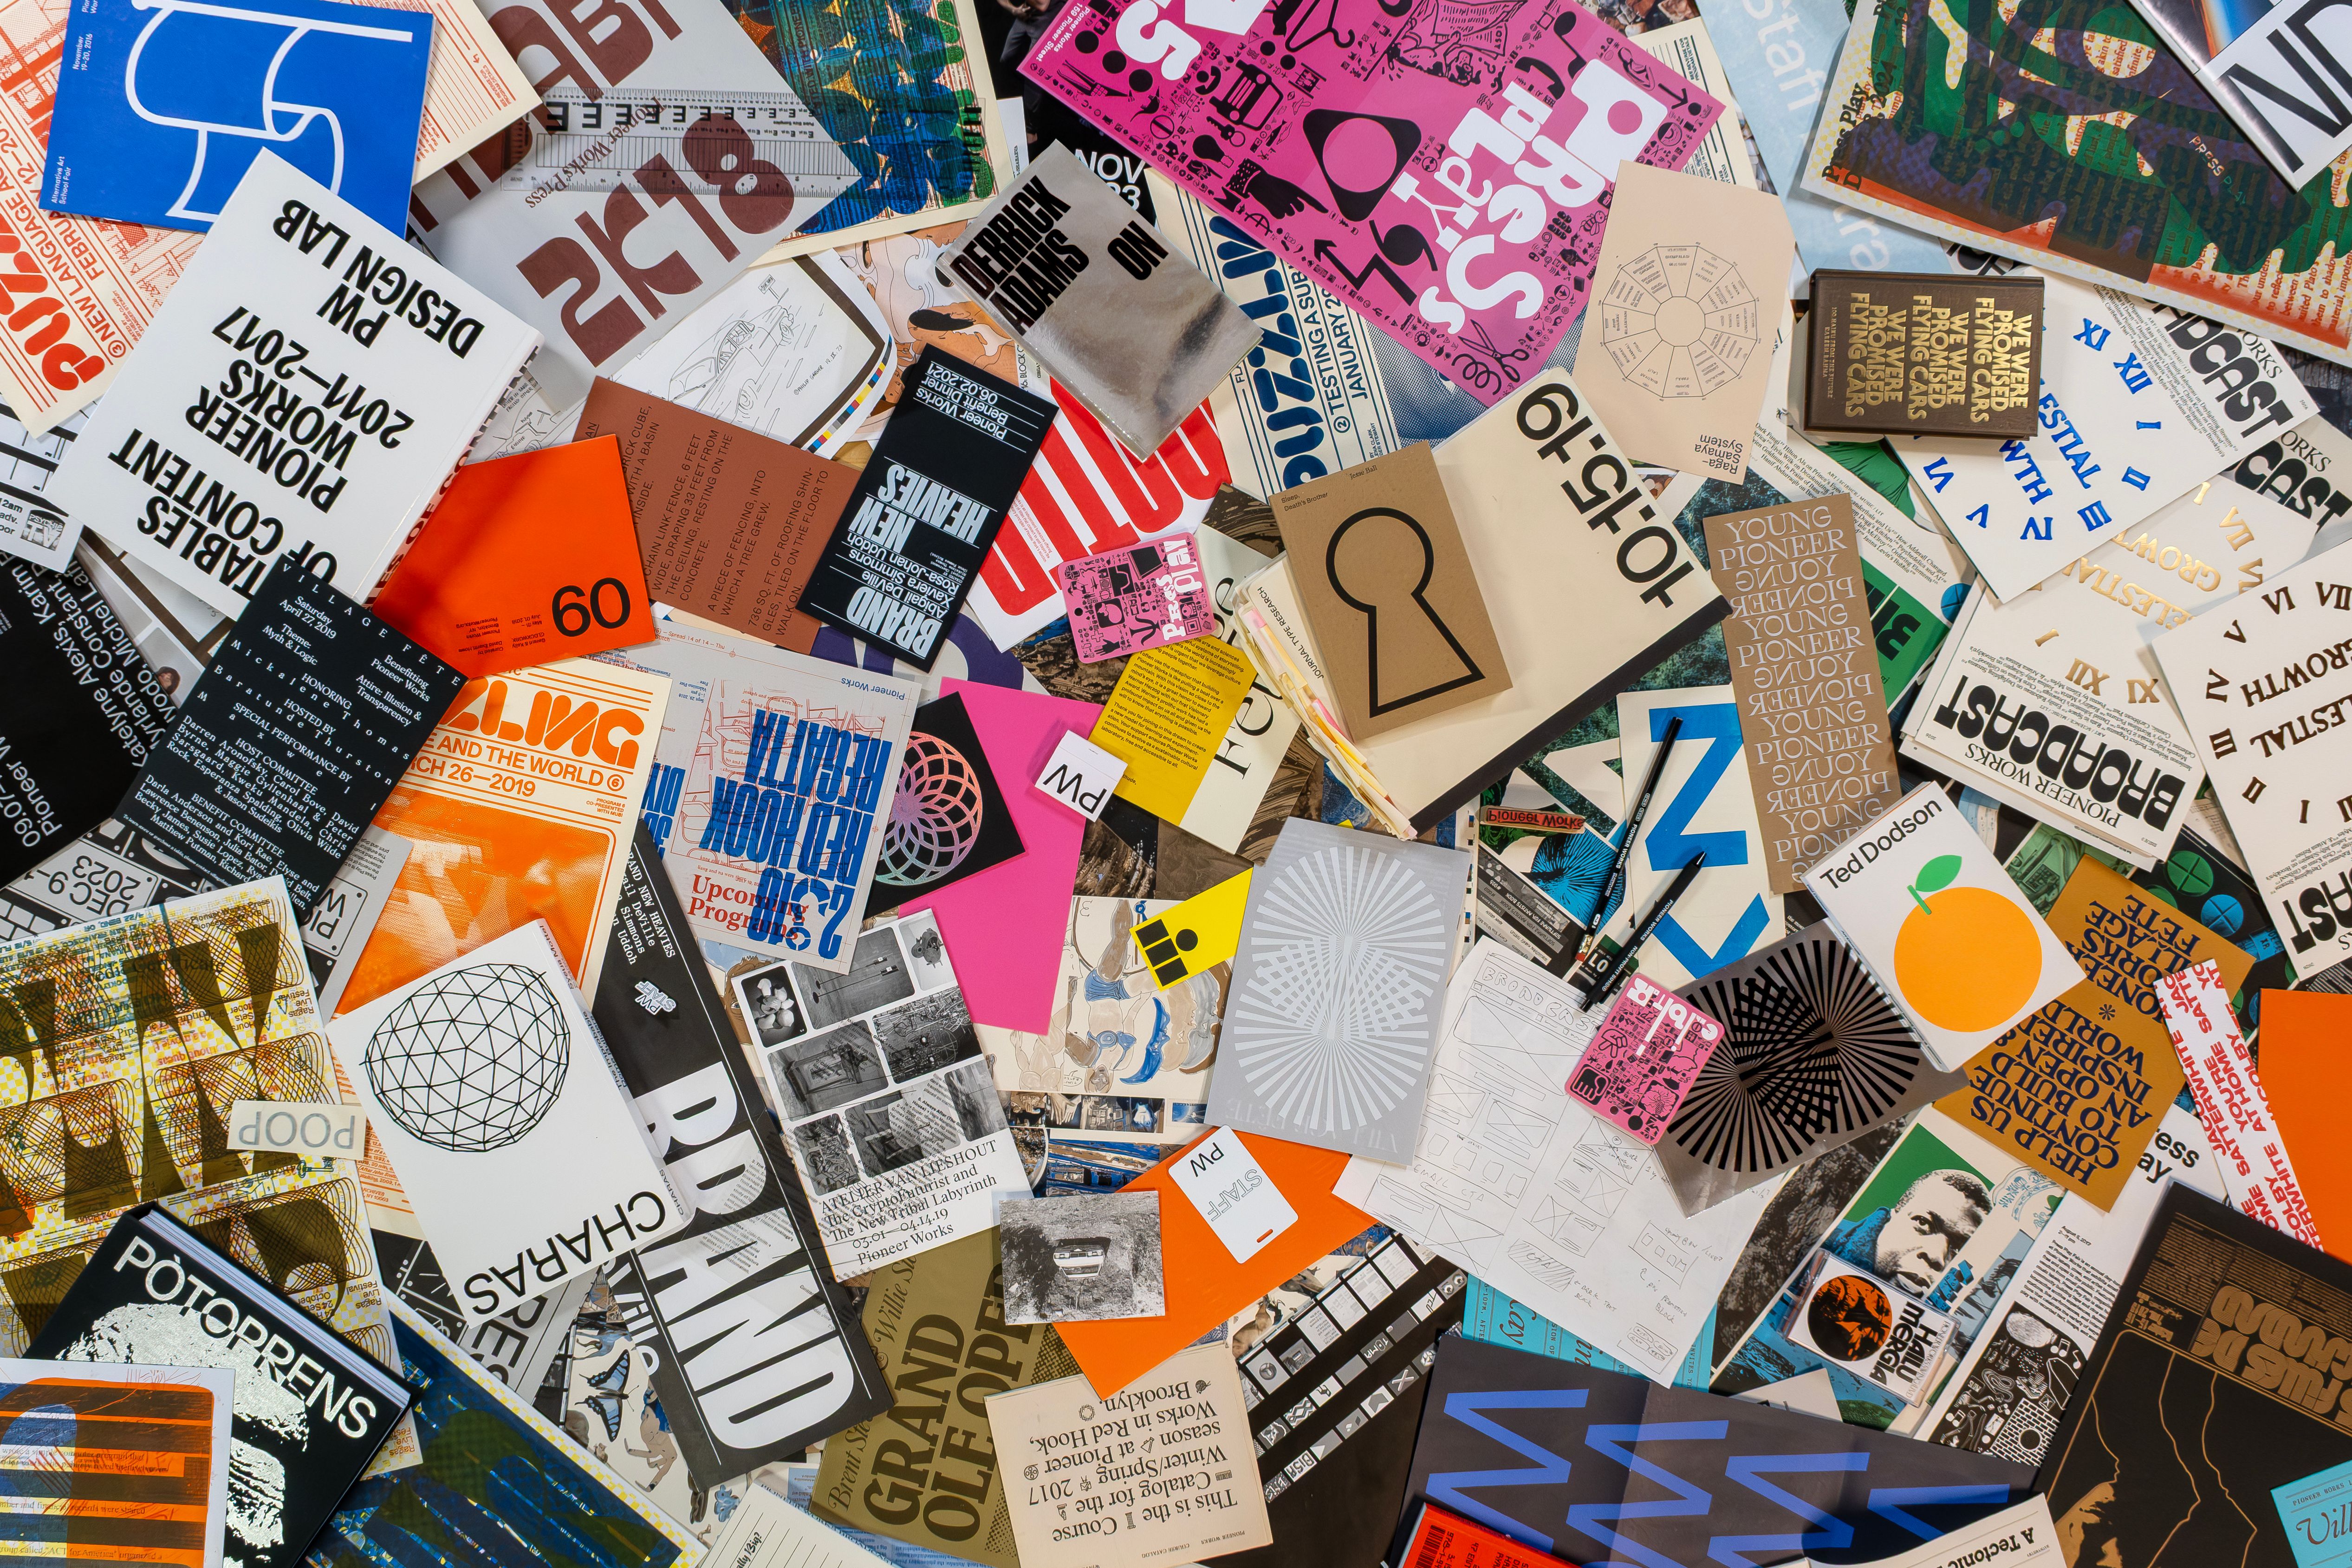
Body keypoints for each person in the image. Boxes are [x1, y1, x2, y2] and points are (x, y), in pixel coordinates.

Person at [1825, 1168, 1993, 1297]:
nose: (1937, 1257)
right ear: (1893, 1215)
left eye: (1958, 1249)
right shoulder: (1818, 1239)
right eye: (1923, 1222)